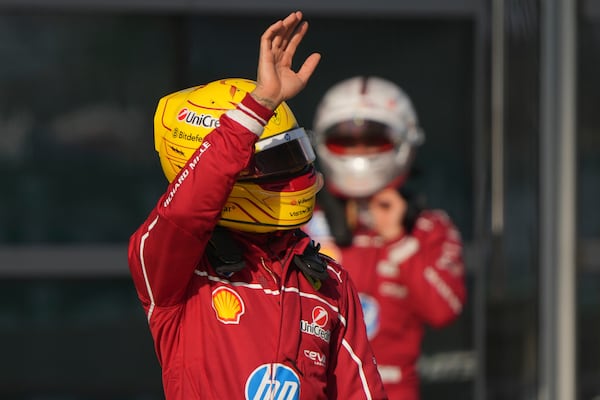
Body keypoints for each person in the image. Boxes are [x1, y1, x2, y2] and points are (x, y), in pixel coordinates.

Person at [127, 12, 388, 400]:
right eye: (274, 162)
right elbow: (185, 211)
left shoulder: (328, 281)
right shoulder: (175, 273)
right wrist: (259, 105)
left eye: (294, 155)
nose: (294, 172)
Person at [304, 76, 467, 400]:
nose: (360, 151)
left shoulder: (427, 228)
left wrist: (397, 240)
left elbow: (443, 310)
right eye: (347, 141)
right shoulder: (301, 225)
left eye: (373, 140)